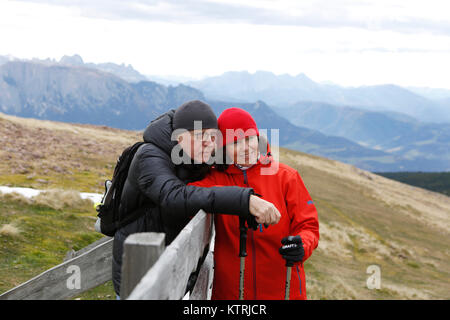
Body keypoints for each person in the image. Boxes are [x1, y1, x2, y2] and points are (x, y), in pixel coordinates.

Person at [112, 100, 281, 298]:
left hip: (176, 264)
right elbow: (174, 196)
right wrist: (245, 201)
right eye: (199, 135)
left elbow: (241, 157)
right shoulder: (149, 155)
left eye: (212, 136)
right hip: (140, 270)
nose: (208, 143)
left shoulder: (197, 156)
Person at [189, 107, 319, 300]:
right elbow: (185, 195)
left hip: (284, 289)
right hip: (232, 293)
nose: (246, 148)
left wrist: (303, 245)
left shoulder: (286, 177)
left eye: (250, 138)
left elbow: (308, 226)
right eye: (235, 142)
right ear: (223, 148)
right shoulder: (215, 179)